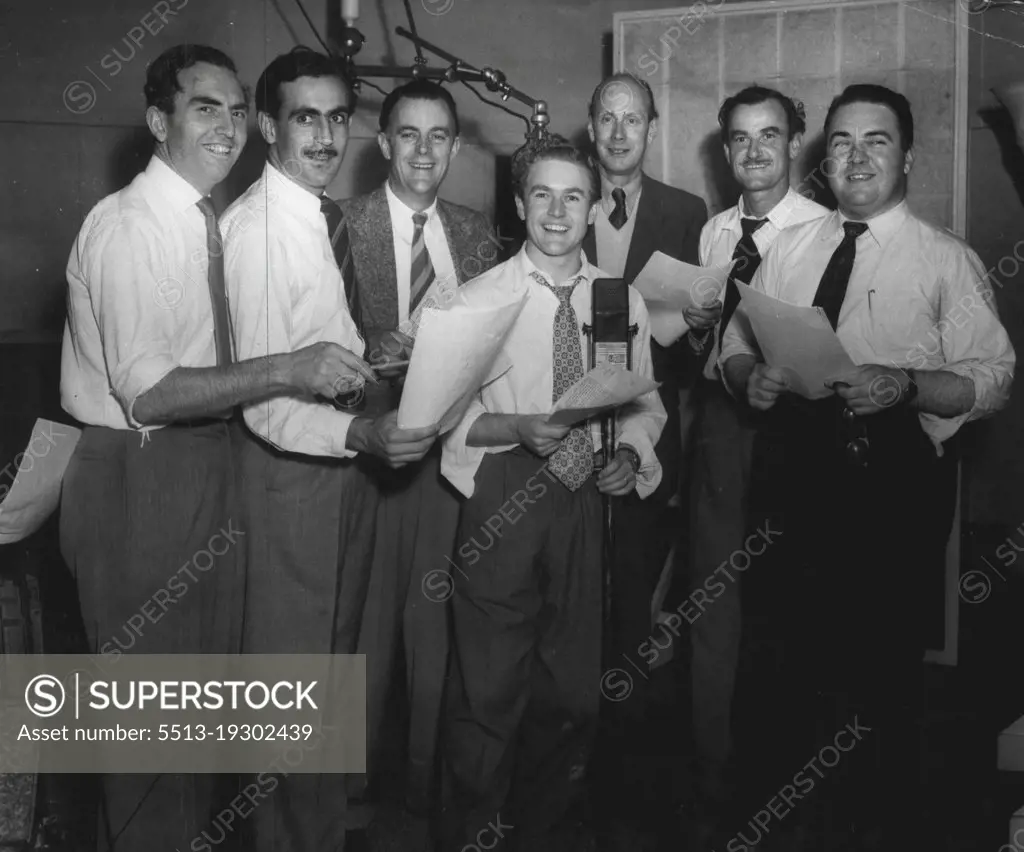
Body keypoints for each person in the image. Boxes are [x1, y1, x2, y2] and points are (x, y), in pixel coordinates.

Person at [59, 44, 365, 851]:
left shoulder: (203, 221)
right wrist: (289, 367)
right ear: (160, 121)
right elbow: (149, 391)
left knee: (196, 743)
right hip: (140, 476)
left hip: (203, 468)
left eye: (236, 109)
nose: (228, 127)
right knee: (150, 745)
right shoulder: (128, 226)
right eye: (206, 108)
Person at [720, 84, 1015, 850]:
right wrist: (745, 372)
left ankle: (868, 829)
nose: (856, 157)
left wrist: (908, 384)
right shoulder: (792, 246)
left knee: (878, 686)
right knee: (780, 673)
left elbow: (992, 377)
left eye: (876, 141)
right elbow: (734, 337)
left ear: (907, 156)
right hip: (790, 484)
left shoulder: (945, 259)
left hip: (890, 494)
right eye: (843, 142)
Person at [221, 47, 439, 852]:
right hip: (289, 482)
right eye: (304, 118)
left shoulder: (311, 213)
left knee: (327, 687)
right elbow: (267, 406)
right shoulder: (257, 232)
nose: (323, 135)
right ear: (269, 125)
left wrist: (375, 352)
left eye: (337, 117)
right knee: (291, 697)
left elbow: (319, 347)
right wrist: (365, 430)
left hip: (334, 473)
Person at [439, 137, 667, 851]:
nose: (558, 211)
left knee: (572, 696)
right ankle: (471, 836)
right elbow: (441, 418)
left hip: (585, 501)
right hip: (504, 491)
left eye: (574, 195)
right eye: (542, 194)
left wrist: (629, 454)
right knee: (489, 695)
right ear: (518, 203)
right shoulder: (477, 300)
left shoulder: (618, 298)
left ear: (597, 205)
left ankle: (538, 833)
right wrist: (516, 425)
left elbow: (645, 405)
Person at [337, 78, 498, 812]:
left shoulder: (477, 231)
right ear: (383, 142)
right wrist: (370, 347)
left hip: (450, 454)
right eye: (409, 134)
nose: (424, 151)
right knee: (362, 631)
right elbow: (308, 340)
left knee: (435, 631)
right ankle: (346, 795)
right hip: (368, 456)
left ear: (457, 146)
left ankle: (429, 792)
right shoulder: (340, 223)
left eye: (439, 136)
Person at [684, 85, 828, 848]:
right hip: (718, 430)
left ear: (796, 141)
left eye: (770, 135)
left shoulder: (826, 231)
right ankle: (716, 786)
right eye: (739, 139)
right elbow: (702, 348)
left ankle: (783, 786)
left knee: (782, 617)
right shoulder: (714, 234)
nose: (754, 152)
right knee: (712, 612)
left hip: (792, 438)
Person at [583, 73, 708, 699]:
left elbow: (695, 349)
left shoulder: (687, 213)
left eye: (633, 120)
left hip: (648, 421)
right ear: (591, 128)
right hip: (566, 417)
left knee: (635, 579)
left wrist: (697, 326)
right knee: (574, 581)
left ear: (652, 130)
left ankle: (625, 721)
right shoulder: (562, 199)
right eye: (608, 118)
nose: (619, 133)